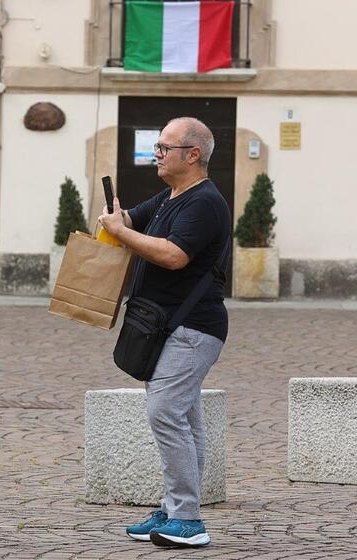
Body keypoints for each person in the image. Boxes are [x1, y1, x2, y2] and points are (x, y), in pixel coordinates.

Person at [97, 117, 231, 548]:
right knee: (184, 417)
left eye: (164, 147)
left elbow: (174, 256)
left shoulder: (204, 202)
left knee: (165, 413)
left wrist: (123, 231)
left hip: (192, 328)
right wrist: (115, 221)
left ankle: (189, 521)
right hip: (168, 325)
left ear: (192, 155)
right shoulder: (172, 195)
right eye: (156, 145)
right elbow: (130, 223)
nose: (156, 153)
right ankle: (176, 508)